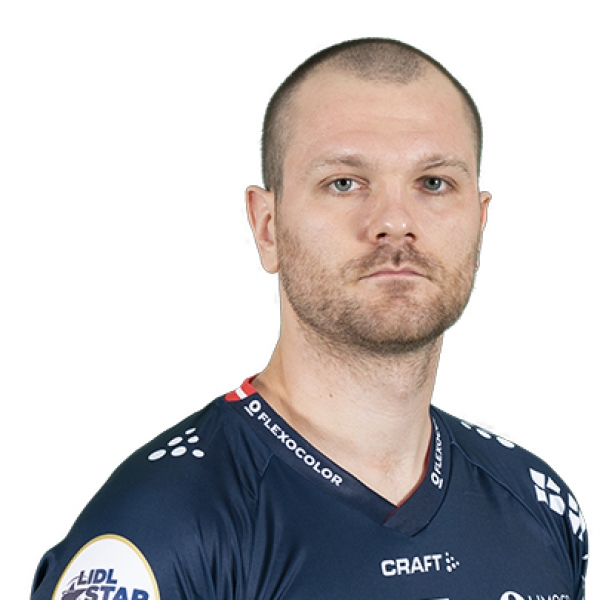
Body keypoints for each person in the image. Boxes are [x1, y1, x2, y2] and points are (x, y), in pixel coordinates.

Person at [31, 38, 587, 600]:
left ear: (480, 222)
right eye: (344, 182)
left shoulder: (538, 504)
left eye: (434, 183)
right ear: (267, 226)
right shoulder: (163, 531)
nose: (395, 221)